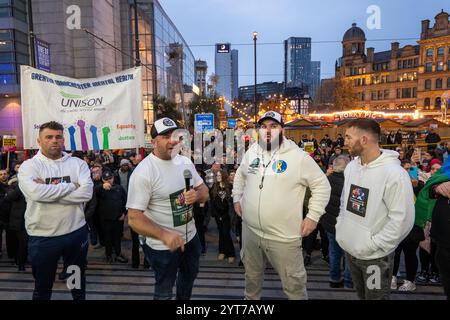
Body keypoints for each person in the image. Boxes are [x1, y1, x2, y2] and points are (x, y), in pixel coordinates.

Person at [233, 111, 331, 300]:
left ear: (282, 130)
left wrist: (313, 216)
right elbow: (240, 174)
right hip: (251, 233)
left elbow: (322, 185)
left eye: (273, 126)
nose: (268, 131)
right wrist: (237, 197)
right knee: (251, 282)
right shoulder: (252, 150)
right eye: (263, 126)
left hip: (283, 237)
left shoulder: (298, 157)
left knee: (294, 288)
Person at [126, 117, 209, 300]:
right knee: (164, 290)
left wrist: (196, 196)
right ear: (153, 141)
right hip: (162, 246)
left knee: (188, 279)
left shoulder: (185, 162)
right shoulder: (143, 172)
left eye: (175, 135)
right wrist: (165, 235)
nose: (172, 140)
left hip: (191, 238)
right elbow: (133, 218)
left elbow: (204, 192)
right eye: (165, 136)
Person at [335, 118, 415, 300]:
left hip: (375, 259)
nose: (344, 141)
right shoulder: (351, 167)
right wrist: (342, 227)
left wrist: (375, 245)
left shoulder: (395, 174)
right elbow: (344, 202)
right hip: (351, 250)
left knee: (375, 299)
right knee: (362, 296)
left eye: (348, 137)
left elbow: (402, 220)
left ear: (364, 140)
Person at [18, 121, 93, 300]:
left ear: (63, 139)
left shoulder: (77, 164)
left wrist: (48, 191)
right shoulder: (29, 166)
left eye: (58, 136)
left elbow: (86, 193)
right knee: (43, 287)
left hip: (75, 235)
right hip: (43, 238)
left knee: (76, 283)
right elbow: (36, 193)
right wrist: (71, 186)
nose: (54, 141)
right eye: (49, 137)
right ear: (39, 140)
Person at [319, 155, 353, 288]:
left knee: (334, 251)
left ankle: (334, 278)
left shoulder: (326, 180)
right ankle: (349, 281)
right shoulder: (351, 181)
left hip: (330, 223)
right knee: (349, 254)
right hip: (346, 224)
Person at [95, 169, 128, 263]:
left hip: (118, 218)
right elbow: (92, 193)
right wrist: (101, 186)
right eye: (106, 179)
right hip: (105, 219)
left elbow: (126, 201)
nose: (109, 180)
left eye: (110, 178)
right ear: (102, 179)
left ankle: (118, 254)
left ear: (113, 178)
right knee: (107, 239)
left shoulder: (119, 188)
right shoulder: (99, 189)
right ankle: (108, 255)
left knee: (117, 238)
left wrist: (124, 213)